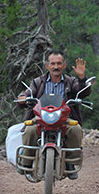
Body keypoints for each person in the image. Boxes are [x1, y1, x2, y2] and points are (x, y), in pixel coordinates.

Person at [17, 50, 92, 180]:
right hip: (41, 117)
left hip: (64, 118)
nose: (56, 67)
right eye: (53, 64)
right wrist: (23, 97)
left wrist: (81, 79)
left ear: (64, 65)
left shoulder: (71, 81)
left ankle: (70, 162)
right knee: (29, 130)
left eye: (59, 63)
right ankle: (26, 161)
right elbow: (28, 93)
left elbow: (82, 92)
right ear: (47, 65)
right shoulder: (38, 82)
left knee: (75, 129)